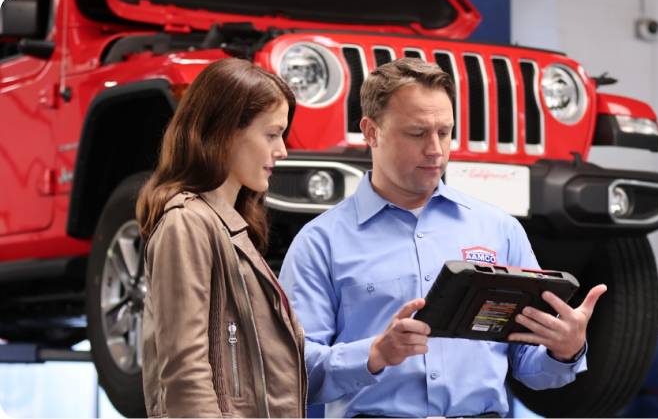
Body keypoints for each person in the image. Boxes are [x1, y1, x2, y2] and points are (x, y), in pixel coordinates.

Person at [279, 57, 607, 419]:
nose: (435, 149)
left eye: (445, 132)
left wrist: (566, 350)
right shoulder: (320, 242)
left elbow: (530, 365)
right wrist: (375, 354)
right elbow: (291, 372)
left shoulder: (499, 229)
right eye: (417, 133)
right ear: (371, 132)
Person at [136, 58, 307, 419]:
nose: (283, 151)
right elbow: (186, 375)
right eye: (272, 134)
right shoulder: (187, 224)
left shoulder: (227, 225)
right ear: (227, 131)